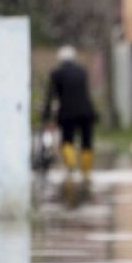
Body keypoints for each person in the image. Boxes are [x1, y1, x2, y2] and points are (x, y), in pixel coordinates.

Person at [42, 46, 98, 177]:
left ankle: (71, 164)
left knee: (67, 139)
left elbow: (51, 95)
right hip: (86, 111)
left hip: (67, 113)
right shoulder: (82, 71)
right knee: (87, 141)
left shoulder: (56, 73)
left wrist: (47, 112)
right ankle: (86, 171)